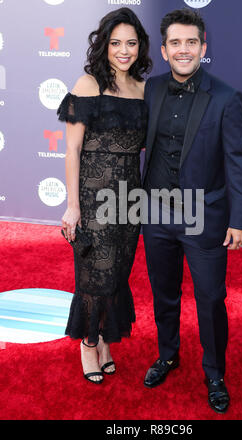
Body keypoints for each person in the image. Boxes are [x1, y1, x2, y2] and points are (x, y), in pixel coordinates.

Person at [142, 9, 242, 413]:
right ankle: (168, 355)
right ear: (165, 49)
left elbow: (239, 161)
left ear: (203, 47)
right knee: (163, 294)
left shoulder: (226, 97)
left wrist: (241, 219)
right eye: (176, 43)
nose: (184, 49)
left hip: (203, 215)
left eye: (191, 42)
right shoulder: (150, 90)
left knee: (209, 299)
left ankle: (214, 374)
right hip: (154, 213)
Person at [57, 7, 152, 384]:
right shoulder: (87, 84)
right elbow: (72, 150)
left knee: (117, 275)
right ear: (104, 46)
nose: (124, 50)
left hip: (130, 201)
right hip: (94, 201)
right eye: (116, 43)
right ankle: (88, 345)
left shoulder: (143, 89)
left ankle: (107, 343)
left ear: (140, 46)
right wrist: (72, 206)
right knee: (94, 277)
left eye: (131, 43)